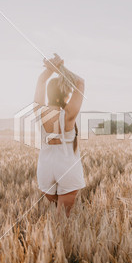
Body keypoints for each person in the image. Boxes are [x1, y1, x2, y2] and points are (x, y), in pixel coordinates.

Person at [34, 54, 86, 217]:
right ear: (65, 94)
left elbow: (41, 81)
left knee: (55, 214)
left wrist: (51, 69)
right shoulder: (69, 114)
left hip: (45, 169)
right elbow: (80, 82)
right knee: (62, 220)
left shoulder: (39, 111)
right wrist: (61, 69)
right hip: (67, 167)